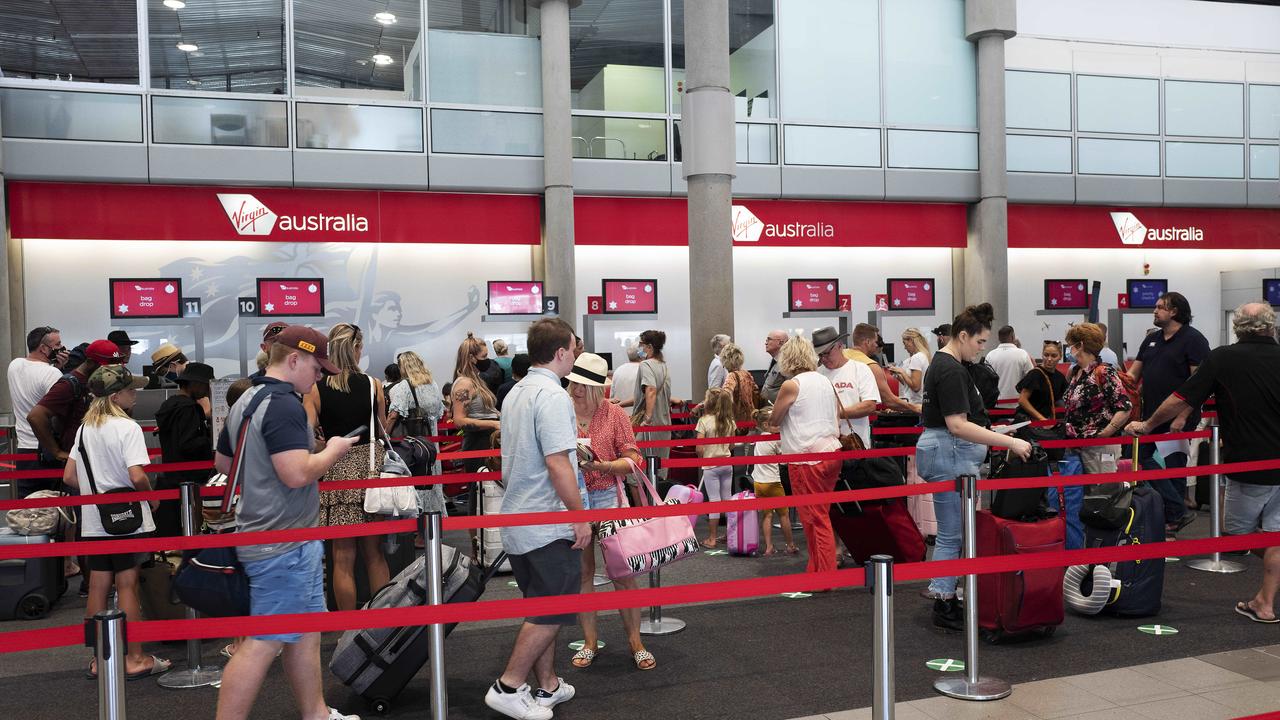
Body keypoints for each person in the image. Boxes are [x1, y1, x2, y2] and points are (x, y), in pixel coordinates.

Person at [213, 326, 360, 720]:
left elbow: (224, 464)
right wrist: (333, 450)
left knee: (305, 634)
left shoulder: (248, 396)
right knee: (263, 642)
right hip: (283, 544)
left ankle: (317, 714)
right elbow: (297, 474)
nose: (319, 377)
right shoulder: (284, 404)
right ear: (294, 359)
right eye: (316, 367)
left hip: (278, 536)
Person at [1126, 302, 1280, 623]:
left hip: (1247, 463)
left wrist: (1148, 424)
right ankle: (1264, 601)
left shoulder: (1224, 357)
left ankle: (1265, 601)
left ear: (1238, 327)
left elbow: (1181, 397)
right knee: (1274, 534)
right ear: (1271, 326)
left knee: (1238, 535)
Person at [485, 318, 589, 720]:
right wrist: (580, 517)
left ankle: (547, 686)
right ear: (561, 352)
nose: (576, 355)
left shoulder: (516, 392)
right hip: (546, 519)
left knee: (540, 605)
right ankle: (508, 685)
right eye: (574, 349)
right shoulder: (552, 395)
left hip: (519, 514)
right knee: (554, 607)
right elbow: (557, 462)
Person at [918, 304, 1032, 631]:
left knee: (955, 532)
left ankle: (947, 594)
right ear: (963, 336)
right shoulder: (952, 369)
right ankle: (944, 598)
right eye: (980, 341)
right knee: (954, 533)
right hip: (952, 451)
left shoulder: (945, 364)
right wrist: (1009, 442)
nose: (983, 348)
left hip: (950, 450)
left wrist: (994, 434)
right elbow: (957, 425)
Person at [64, 365, 171, 681]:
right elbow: (137, 475)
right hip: (128, 519)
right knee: (127, 584)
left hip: (95, 519)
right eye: (130, 389)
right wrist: (151, 498)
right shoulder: (128, 428)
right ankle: (135, 657)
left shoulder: (85, 429)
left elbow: (69, 475)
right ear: (115, 395)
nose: (134, 394)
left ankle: (100, 659)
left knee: (98, 583)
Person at [564, 352, 654, 672]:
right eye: (574, 382)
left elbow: (633, 458)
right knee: (583, 573)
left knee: (622, 572)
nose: (575, 389)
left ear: (598, 388)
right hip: (572, 499)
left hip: (607, 497)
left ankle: (636, 641)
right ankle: (590, 642)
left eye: (583, 385)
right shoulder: (559, 409)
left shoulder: (613, 414)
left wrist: (601, 464)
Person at [303, 323, 390, 613]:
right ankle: (381, 624)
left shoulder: (315, 388)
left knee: (342, 557)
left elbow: (306, 436)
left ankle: (348, 628)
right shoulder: (373, 384)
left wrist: (325, 445)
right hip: (371, 471)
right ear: (357, 348)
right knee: (375, 554)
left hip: (337, 470)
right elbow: (382, 428)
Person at [1127, 291, 1208, 534]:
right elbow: (1133, 376)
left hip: (1177, 417)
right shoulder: (1152, 339)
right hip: (1150, 417)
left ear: (1174, 312)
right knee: (1140, 459)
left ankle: (1173, 519)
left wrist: (1183, 415)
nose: (1155, 310)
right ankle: (1175, 511)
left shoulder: (1193, 340)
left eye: (1160, 307)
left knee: (1174, 468)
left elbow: (1200, 383)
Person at [769, 336, 842, 576]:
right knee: (820, 515)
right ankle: (818, 568)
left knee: (814, 518)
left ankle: (823, 574)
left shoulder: (792, 385)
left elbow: (774, 420)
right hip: (831, 452)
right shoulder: (824, 381)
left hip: (806, 458)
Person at [30, 339, 124, 470]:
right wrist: (56, 451)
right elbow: (35, 416)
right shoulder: (68, 385)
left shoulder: (97, 381)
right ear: (90, 363)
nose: (111, 372)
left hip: (94, 458)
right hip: (75, 461)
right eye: (107, 367)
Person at [154, 362, 215, 537]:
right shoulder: (189, 409)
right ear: (194, 384)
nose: (206, 390)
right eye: (205, 384)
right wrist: (209, 440)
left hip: (172, 472)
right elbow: (188, 443)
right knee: (192, 524)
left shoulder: (169, 405)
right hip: (191, 475)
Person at [8, 326, 66, 495]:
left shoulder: (14, 365)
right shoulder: (52, 374)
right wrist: (58, 369)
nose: (62, 348)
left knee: (27, 508)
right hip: (46, 451)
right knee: (53, 510)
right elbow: (57, 413)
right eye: (58, 344)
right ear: (44, 348)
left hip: (23, 449)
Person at [813, 327, 879, 449]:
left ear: (840, 346)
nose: (823, 358)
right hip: (824, 448)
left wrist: (833, 414)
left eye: (827, 353)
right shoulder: (816, 374)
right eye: (820, 355)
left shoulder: (860, 369)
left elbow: (869, 405)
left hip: (855, 445)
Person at [387, 350, 445, 480]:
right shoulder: (432, 384)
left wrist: (384, 434)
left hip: (413, 442)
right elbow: (438, 411)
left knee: (417, 477)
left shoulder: (405, 385)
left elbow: (393, 415)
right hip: (432, 441)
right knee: (431, 475)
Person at [452, 333, 503, 474]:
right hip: (478, 444)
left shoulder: (477, 379)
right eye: (484, 357)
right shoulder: (464, 384)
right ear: (471, 358)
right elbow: (459, 420)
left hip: (487, 441)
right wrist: (493, 423)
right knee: (481, 491)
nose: (487, 361)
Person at [628, 330, 674, 481]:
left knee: (636, 475)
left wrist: (647, 418)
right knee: (658, 472)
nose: (639, 348)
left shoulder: (646, 365)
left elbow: (651, 390)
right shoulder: (664, 366)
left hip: (648, 427)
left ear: (649, 347)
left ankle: (645, 505)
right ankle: (656, 503)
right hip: (664, 425)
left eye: (641, 344)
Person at [696, 387, 737, 547]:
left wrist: (702, 457)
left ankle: (712, 538)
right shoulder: (730, 422)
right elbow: (732, 445)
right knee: (727, 498)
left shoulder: (704, 421)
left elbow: (699, 448)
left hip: (710, 466)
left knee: (714, 500)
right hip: (727, 464)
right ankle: (730, 535)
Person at [752, 409, 796, 556]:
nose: (779, 425)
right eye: (776, 423)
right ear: (766, 424)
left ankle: (769, 547)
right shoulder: (774, 439)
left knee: (767, 515)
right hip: (773, 483)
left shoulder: (758, 438)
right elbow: (785, 454)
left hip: (758, 482)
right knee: (784, 514)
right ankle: (790, 545)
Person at [845, 323, 917, 413]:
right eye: (875, 342)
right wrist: (916, 407)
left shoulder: (840, 356)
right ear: (867, 342)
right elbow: (889, 401)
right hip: (855, 422)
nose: (876, 345)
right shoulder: (871, 366)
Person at [1016, 341, 1069, 422]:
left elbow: (1061, 399)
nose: (1049, 359)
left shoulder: (1059, 377)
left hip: (1045, 421)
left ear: (1060, 357)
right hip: (1028, 421)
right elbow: (1022, 400)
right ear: (1042, 355)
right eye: (1046, 355)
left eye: (1054, 356)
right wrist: (1041, 418)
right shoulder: (1034, 374)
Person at [985, 326, 1034, 407]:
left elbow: (986, 382)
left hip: (995, 405)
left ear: (999, 338)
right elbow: (1031, 378)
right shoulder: (1022, 354)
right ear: (1013, 337)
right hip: (1018, 404)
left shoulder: (990, 355)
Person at [719, 342, 759, 425]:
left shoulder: (731, 376)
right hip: (751, 416)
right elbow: (756, 391)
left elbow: (726, 394)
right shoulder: (746, 374)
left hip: (737, 420)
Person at [889, 328, 931, 405]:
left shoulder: (917, 357)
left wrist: (902, 372)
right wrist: (898, 375)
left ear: (911, 340)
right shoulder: (923, 356)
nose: (905, 347)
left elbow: (916, 387)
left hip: (914, 403)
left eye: (905, 343)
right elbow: (909, 385)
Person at [760, 330, 789, 404]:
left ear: (781, 342)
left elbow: (791, 392)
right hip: (768, 408)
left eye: (769, 339)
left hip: (779, 410)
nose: (765, 343)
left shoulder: (787, 363)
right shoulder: (775, 360)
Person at [608, 342, 642, 408]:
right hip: (638, 414)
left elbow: (612, 396)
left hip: (620, 413)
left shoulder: (618, 370)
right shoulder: (644, 371)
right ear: (641, 355)